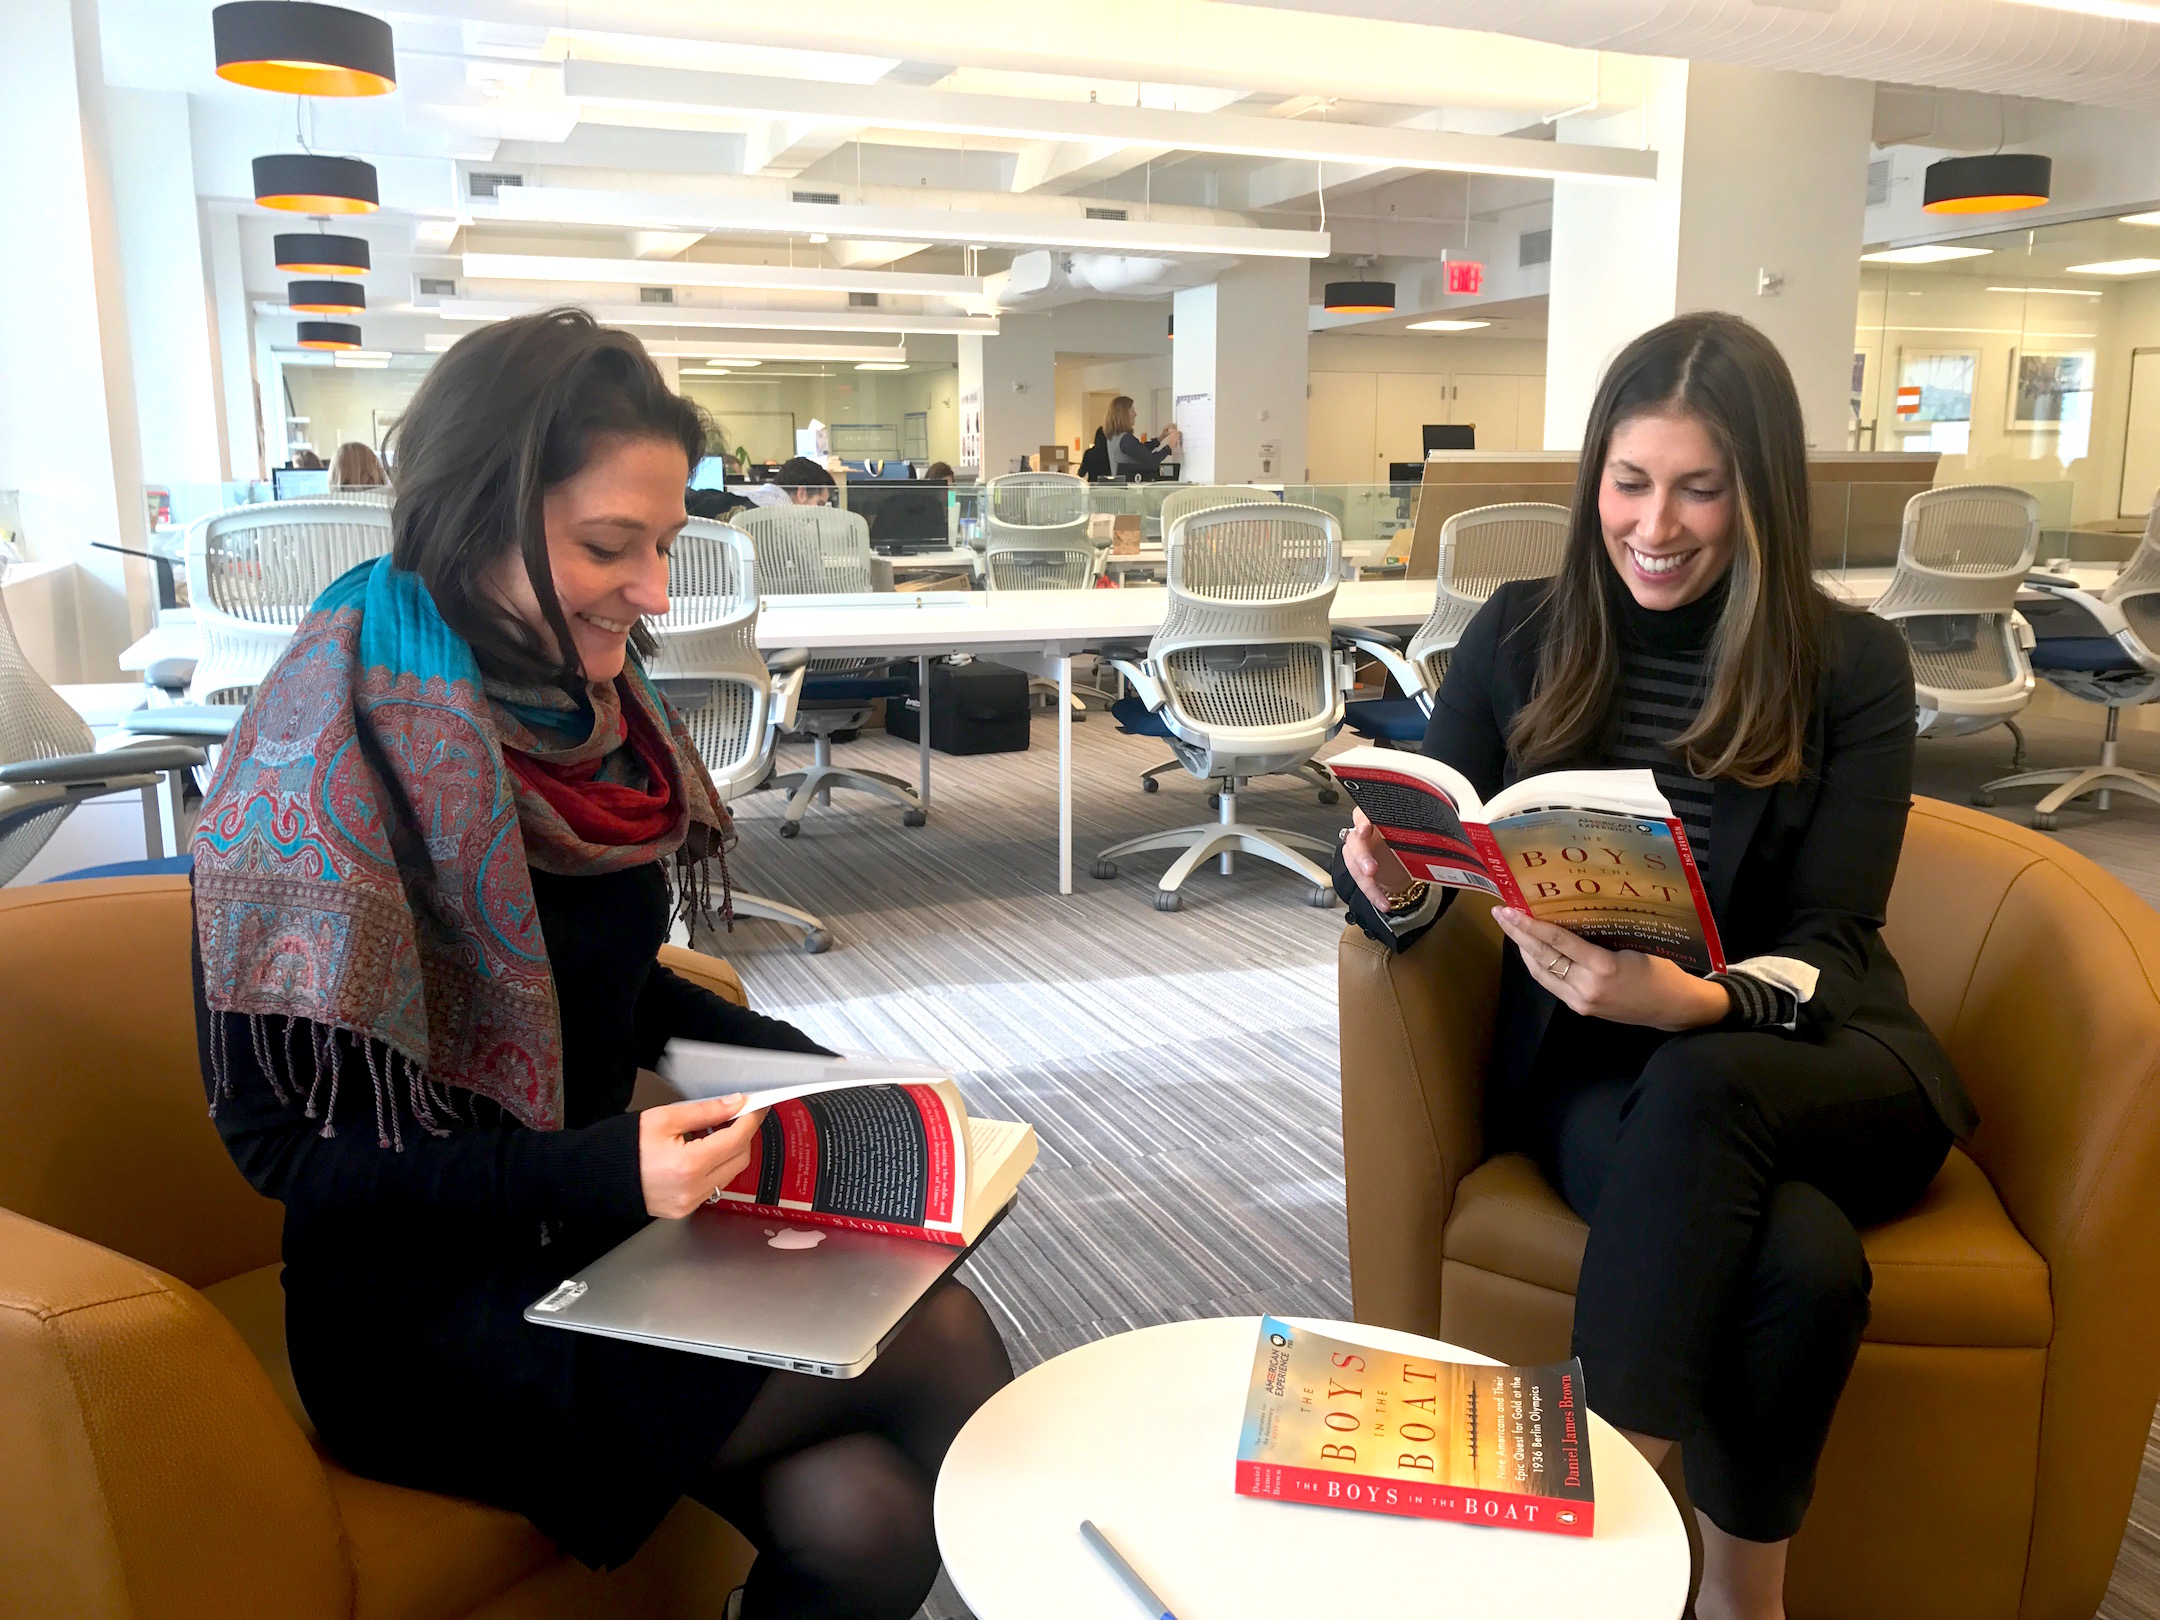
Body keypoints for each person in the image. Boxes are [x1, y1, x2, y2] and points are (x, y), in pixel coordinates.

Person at [189, 308, 1010, 1620]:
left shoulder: (597, 721)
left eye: (667, 544)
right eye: (606, 546)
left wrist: (837, 1081)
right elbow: (283, 1150)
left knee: (865, 1517)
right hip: (419, 1319)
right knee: (937, 1332)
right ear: (472, 521)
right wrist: (598, 1168)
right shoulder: (310, 769)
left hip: (589, 1240)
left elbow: (614, 990)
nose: (656, 593)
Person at [1334, 311, 1971, 1620]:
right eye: (1630, 482)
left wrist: (1693, 1002)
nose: (1655, 525)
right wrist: (1391, 884)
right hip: (1597, 1086)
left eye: (1699, 489)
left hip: (1819, 1062)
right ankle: (1743, 1603)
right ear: (1595, 481)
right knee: (1799, 1261)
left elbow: (1836, 939)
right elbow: (1438, 846)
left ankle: (1578, 1555)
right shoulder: (1519, 634)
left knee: (1704, 1076)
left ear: (1761, 494)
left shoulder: (1850, 665)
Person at [1101, 396, 1179, 479]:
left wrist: (1161, 437)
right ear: (1124, 414)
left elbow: (1141, 450)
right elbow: (1151, 460)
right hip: (1131, 483)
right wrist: (1169, 446)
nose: (1135, 414)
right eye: (1132, 411)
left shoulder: (1113, 437)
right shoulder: (1125, 439)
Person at [744, 455, 837, 508]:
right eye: (819, 504)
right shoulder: (786, 519)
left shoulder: (746, 501)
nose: (821, 513)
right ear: (802, 493)